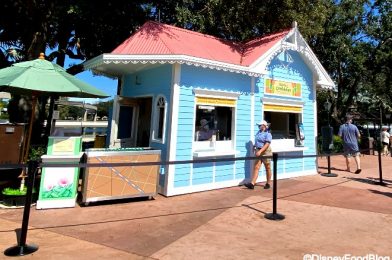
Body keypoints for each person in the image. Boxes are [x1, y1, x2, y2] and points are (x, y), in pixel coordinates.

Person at [244, 120, 272, 190]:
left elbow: (267, 144)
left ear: (264, 126)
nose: (259, 126)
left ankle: (268, 183)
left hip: (266, 151)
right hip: (258, 150)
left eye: (260, 125)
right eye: (258, 125)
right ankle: (252, 184)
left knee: (267, 167)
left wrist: (260, 151)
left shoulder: (268, 133)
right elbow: (258, 141)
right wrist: (254, 146)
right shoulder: (258, 132)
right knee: (256, 167)